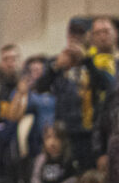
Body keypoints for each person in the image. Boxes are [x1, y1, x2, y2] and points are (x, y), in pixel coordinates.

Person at [37, 23, 114, 169]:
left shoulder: (95, 62)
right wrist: (56, 67)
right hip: (63, 133)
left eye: (79, 36)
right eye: (72, 36)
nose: (75, 40)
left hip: (89, 133)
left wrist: (86, 60)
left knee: (87, 175)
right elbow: (40, 87)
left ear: (87, 37)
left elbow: (108, 85)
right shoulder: (56, 63)